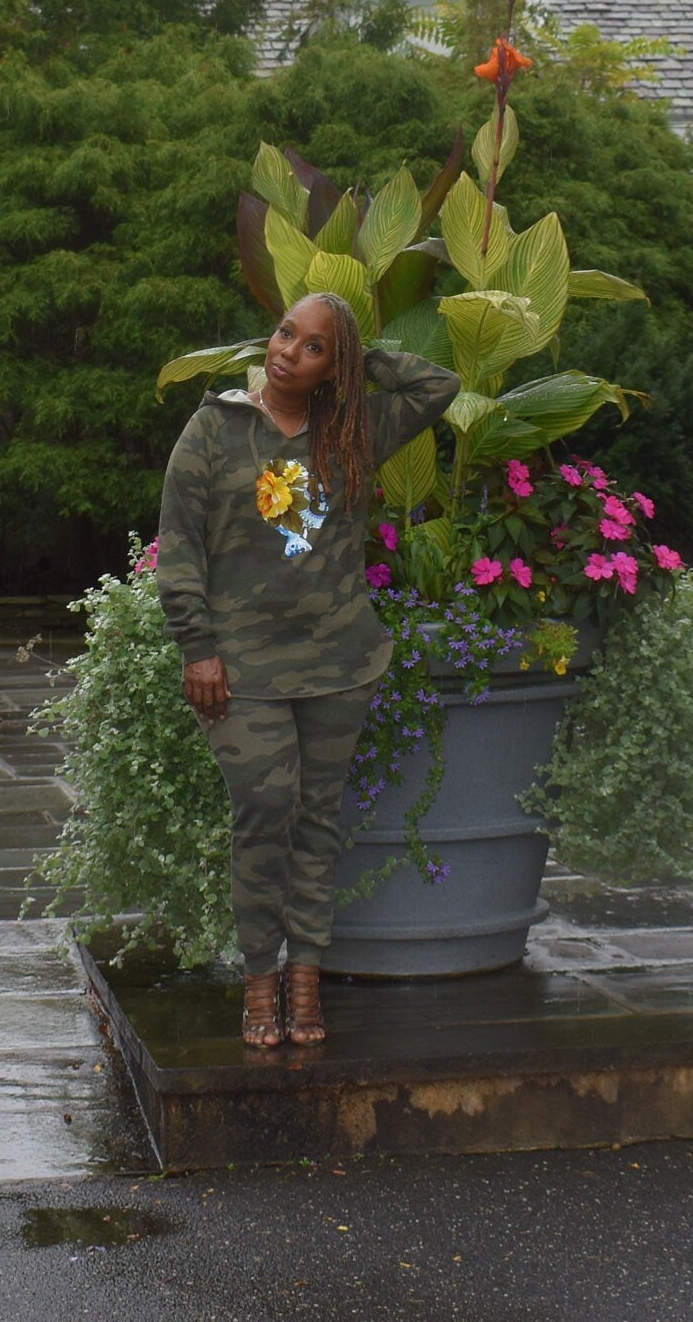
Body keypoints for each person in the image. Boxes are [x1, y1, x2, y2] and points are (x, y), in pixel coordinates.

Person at [153, 290, 459, 1048]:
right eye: (287, 332)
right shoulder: (214, 429)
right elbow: (180, 549)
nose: (288, 350)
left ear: (334, 367)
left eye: (315, 346)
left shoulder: (352, 431)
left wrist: (363, 358)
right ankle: (260, 979)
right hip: (241, 671)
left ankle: (305, 980)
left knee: (319, 821)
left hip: (338, 664)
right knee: (266, 807)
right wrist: (197, 648)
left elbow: (438, 387)